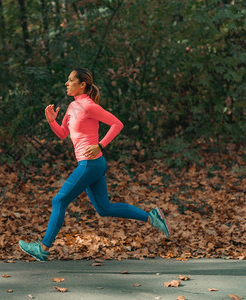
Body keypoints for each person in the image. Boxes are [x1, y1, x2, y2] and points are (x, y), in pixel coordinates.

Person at [19, 68, 171, 262]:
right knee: (104, 208)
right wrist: (51, 122)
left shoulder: (89, 106)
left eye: (71, 80)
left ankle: (42, 249)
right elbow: (63, 134)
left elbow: (117, 124)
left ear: (82, 85)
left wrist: (100, 145)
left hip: (90, 163)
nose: (66, 83)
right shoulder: (72, 107)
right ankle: (152, 217)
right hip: (93, 165)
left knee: (59, 201)